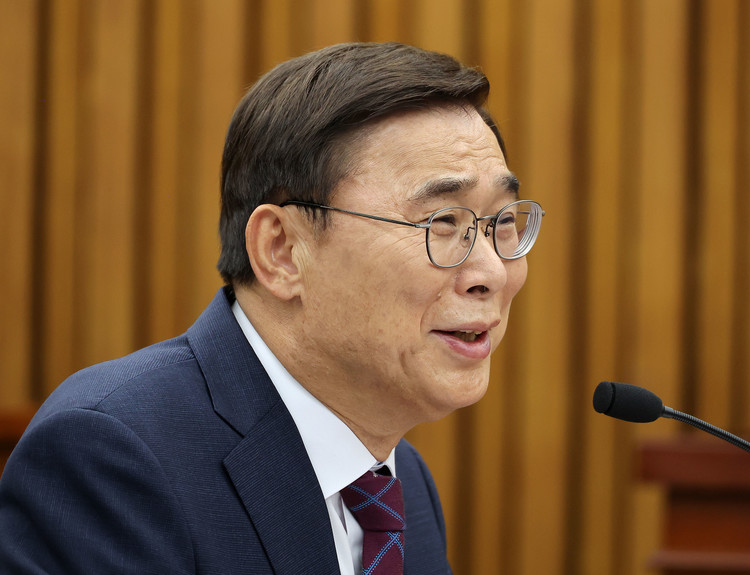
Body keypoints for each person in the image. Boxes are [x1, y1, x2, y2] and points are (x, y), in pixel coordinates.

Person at [0, 42, 543, 574]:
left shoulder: (400, 480)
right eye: (442, 222)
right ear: (282, 251)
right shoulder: (112, 456)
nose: (493, 274)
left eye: (500, 222)